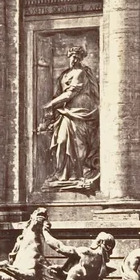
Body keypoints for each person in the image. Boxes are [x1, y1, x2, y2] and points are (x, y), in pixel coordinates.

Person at [38, 46, 100, 188]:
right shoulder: (64, 75)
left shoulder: (81, 73)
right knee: (61, 141)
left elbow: (70, 94)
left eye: (78, 57)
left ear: (81, 59)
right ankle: (61, 173)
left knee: (78, 145)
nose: (75, 60)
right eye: (73, 57)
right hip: (66, 112)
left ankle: (78, 175)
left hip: (80, 113)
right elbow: (59, 93)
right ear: (69, 57)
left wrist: (50, 104)